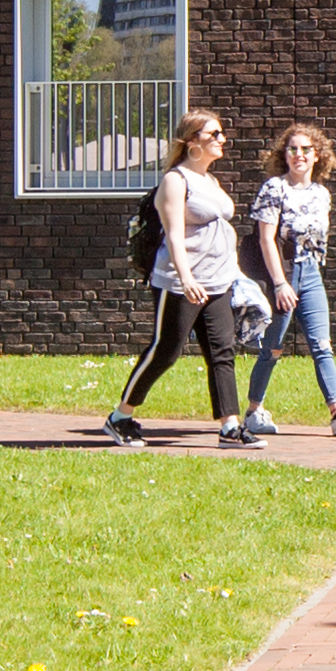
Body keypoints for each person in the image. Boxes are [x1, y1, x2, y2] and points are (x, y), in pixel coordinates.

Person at [103, 110, 253, 443]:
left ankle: (230, 427)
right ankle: (120, 417)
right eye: (214, 134)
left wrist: (236, 275)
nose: (222, 139)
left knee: (222, 352)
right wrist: (186, 279)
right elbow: (173, 235)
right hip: (180, 282)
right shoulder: (176, 180)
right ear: (192, 141)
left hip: (218, 281)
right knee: (166, 351)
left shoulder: (210, 181)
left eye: (221, 133)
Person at [233, 122, 336, 443]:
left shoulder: (321, 194)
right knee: (272, 348)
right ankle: (254, 411)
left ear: (317, 155)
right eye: (293, 149)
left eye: (306, 149)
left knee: (322, 345)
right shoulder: (275, 188)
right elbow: (266, 239)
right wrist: (279, 284)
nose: (299, 154)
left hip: (311, 273)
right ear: (283, 155)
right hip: (283, 273)